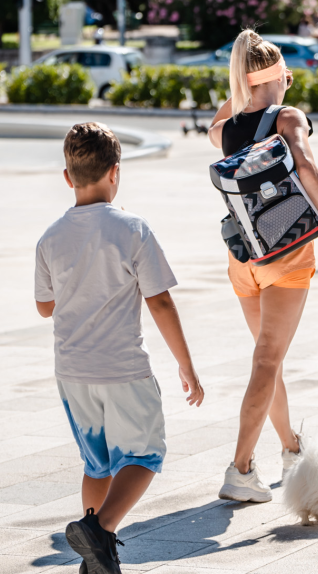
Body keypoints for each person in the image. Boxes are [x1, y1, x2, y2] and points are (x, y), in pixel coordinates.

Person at [35, 122, 204, 574]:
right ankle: (99, 529)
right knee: (145, 455)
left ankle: (98, 557)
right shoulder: (132, 228)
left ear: (67, 177)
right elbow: (161, 300)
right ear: (116, 172)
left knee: (98, 464)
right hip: (123, 368)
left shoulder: (50, 237)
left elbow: (44, 307)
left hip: (71, 371)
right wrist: (186, 366)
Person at [207, 29, 318, 502]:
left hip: (243, 258)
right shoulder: (288, 117)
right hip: (286, 255)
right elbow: (306, 168)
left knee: (269, 362)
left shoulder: (228, 127)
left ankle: (291, 449)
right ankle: (241, 468)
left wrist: (242, 93)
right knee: (268, 359)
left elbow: (216, 124)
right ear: (281, 75)